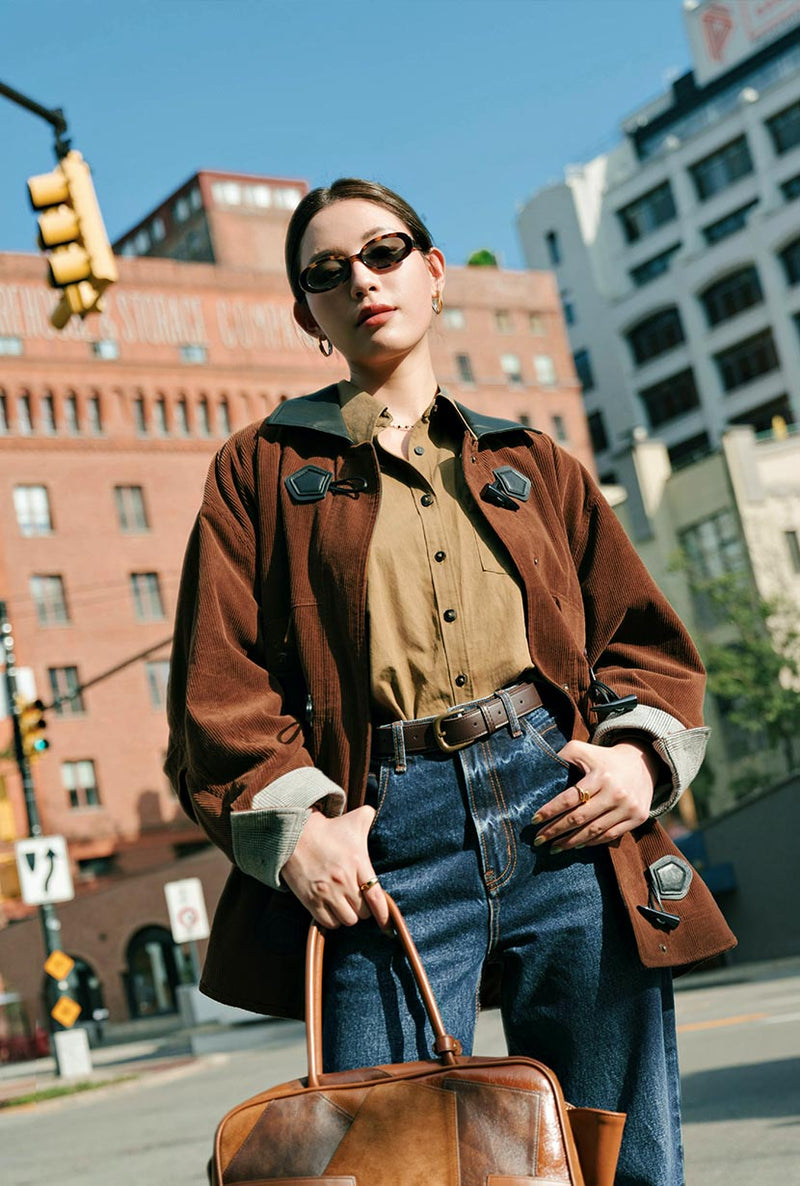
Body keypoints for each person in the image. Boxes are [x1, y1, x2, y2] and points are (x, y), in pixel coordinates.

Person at [165, 178, 734, 1186]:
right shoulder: (259, 470)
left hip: (562, 812)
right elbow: (219, 686)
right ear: (308, 315)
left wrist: (638, 762)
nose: (361, 280)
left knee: (623, 1155)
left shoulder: (531, 461)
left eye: (384, 253)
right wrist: (300, 827)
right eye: (327, 271)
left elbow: (641, 641)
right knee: (393, 1163)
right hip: (382, 843)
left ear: (432, 273)